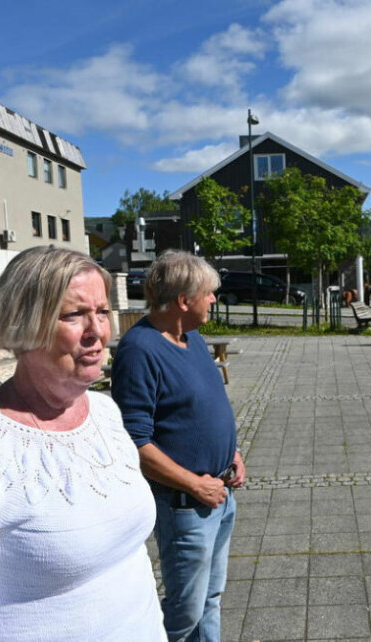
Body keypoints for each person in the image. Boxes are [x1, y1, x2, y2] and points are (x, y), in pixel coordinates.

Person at [0, 247, 165, 641]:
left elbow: (129, 564)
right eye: (74, 315)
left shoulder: (104, 414)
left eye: (103, 312)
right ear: (24, 324)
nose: (97, 331)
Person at [112, 250, 245, 642]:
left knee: (210, 599)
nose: (214, 299)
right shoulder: (140, 349)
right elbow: (134, 442)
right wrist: (194, 484)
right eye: (209, 293)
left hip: (219, 493)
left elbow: (205, 405)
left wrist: (232, 452)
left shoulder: (192, 338)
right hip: (185, 504)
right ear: (184, 300)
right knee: (185, 611)